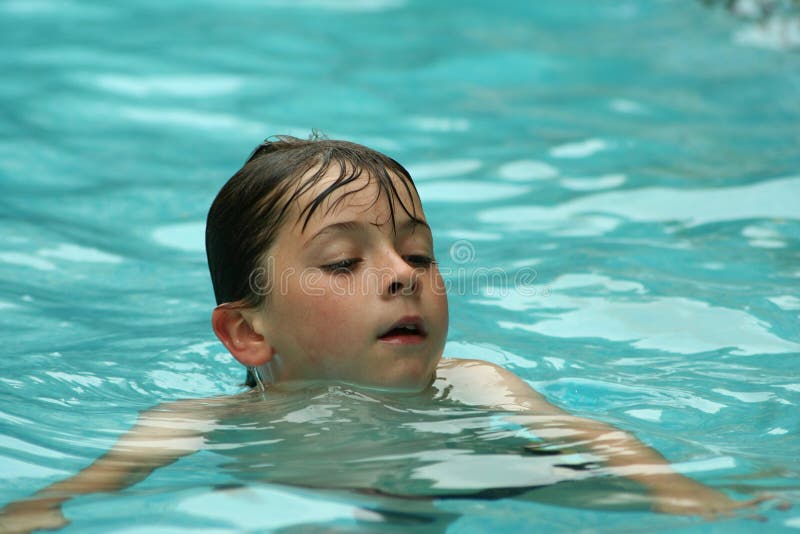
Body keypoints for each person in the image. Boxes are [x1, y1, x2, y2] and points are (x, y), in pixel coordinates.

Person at [0, 135, 767, 532]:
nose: (403, 274)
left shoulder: (477, 384)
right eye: (343, 262)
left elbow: (600, 442)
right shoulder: (205, 422)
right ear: (247, 334)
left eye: (419, 252)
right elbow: (84, 490)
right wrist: (47, 505)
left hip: (466, 488)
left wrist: (677, 490)